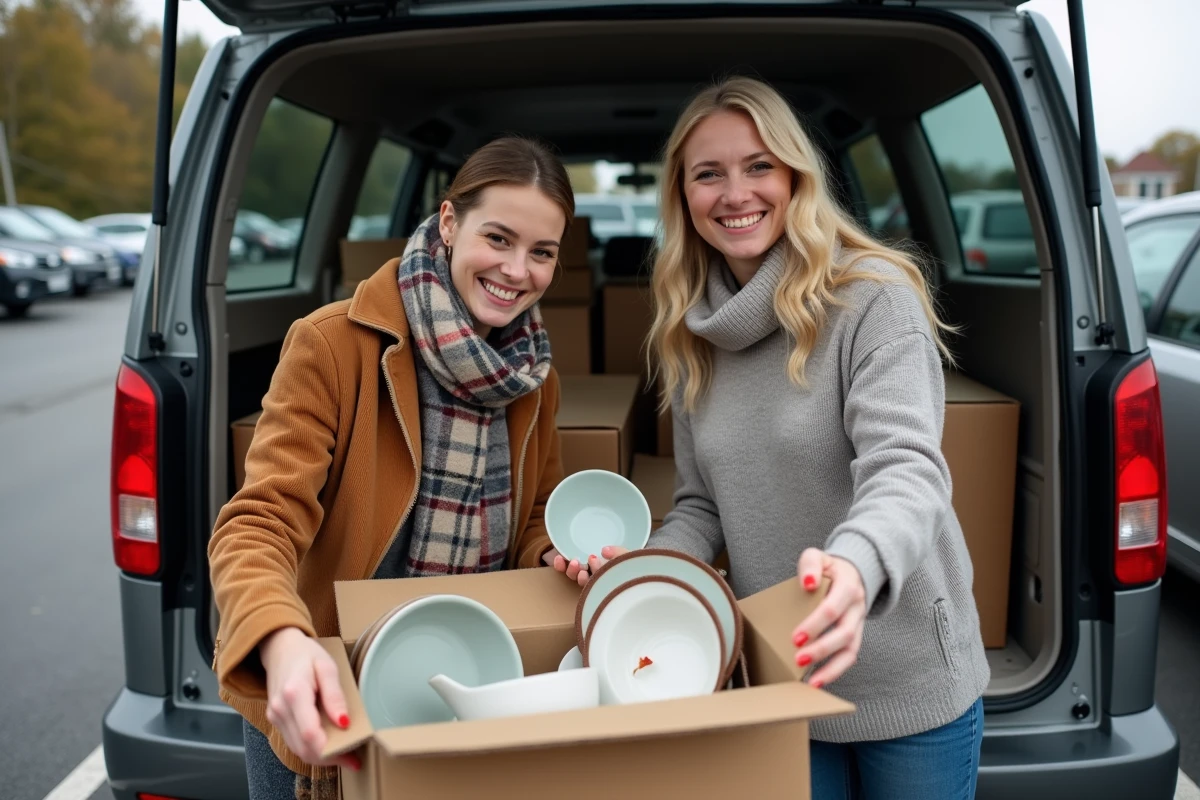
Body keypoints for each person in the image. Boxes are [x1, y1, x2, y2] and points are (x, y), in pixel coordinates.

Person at [555, 77, 989, 799]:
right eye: (708, 174)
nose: (736, 194)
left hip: (909, 679)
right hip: (786, 680)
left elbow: (906, 469)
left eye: (759, 166)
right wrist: (643, 568)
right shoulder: (691, 332)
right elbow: (702, 506)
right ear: (682, 196)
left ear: (795, 177)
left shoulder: (873, 297)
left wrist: (853, 571)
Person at [209, 136, 575, 800]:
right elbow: (258, 524)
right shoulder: (331, 345)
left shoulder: (533, 377)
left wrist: (557, 552)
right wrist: (281, 640)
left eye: (542, 252)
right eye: (498, 238)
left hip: (474, 685)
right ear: (448, 222)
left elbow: (534, 519)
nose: (517, 270)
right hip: (332, 697)